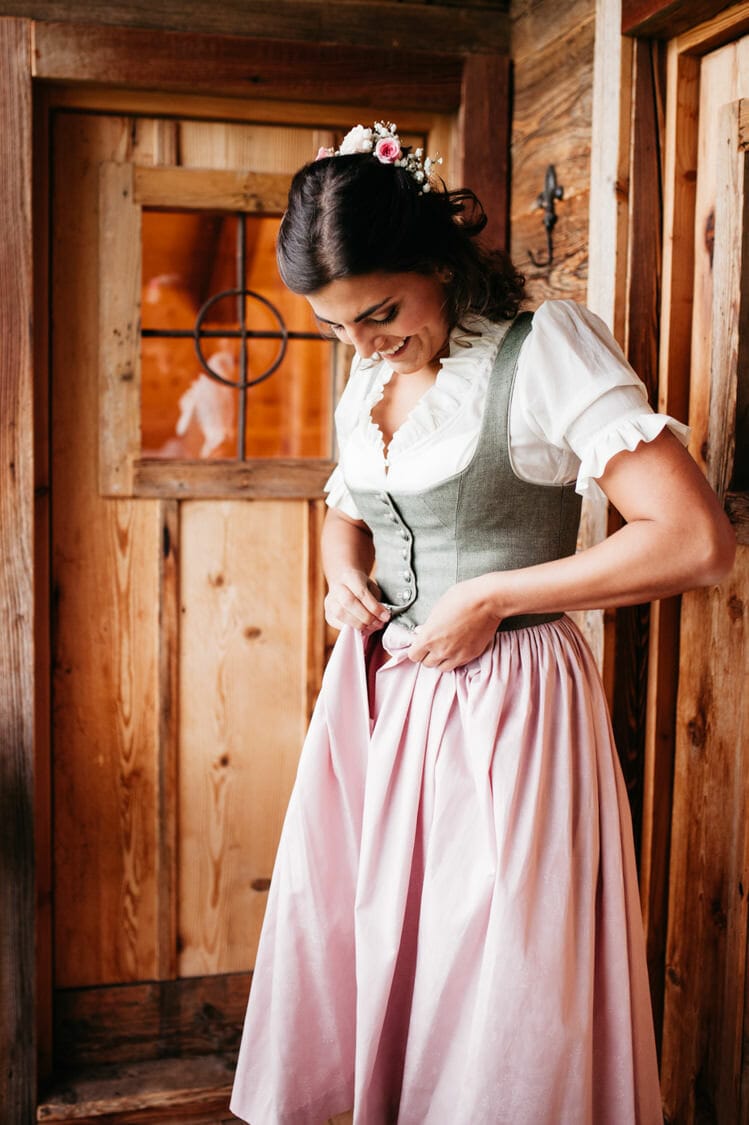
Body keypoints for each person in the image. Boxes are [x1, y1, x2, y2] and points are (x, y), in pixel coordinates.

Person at [230, 122, 735, 1125]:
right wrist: (339, 579)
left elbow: (691, 541)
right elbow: (346, 508)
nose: (362, 344)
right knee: (392, 945)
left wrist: (496, 596)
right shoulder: (371, 378)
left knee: (500, 976)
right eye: (337, 327)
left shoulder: (543, 351)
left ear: (438, 262)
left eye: (379, 312)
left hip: (511, 705)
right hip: (385, 712)